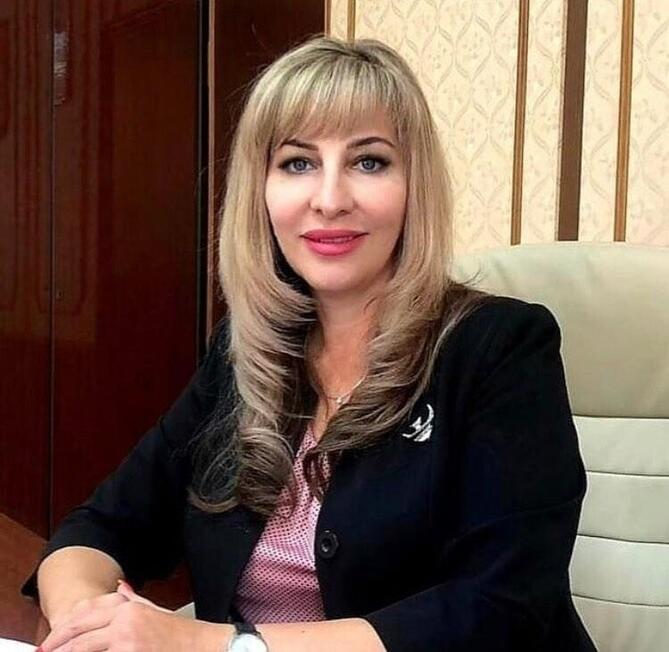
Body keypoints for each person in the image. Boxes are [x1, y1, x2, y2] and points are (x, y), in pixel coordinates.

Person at [24, 36, 596, 651]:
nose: (329, 200)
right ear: (261, 189)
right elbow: (101, 526)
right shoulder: (245, 354)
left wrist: (215, 646)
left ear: (415, 186)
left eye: (369, 162)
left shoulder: (500, 348)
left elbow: (502, 607)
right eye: (298, 163)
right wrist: (86, 620)